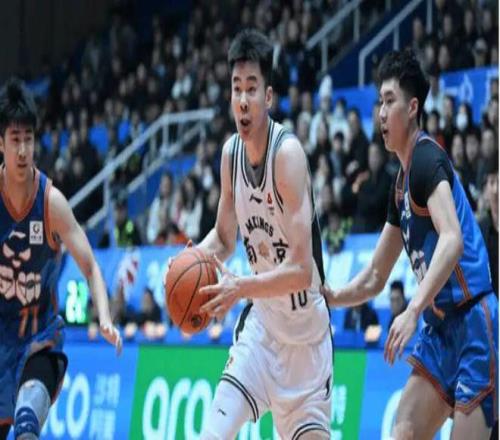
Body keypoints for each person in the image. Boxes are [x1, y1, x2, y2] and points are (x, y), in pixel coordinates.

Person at [322, 49, 498, 439]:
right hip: (440, 333)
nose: (381, 113)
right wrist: (332, 296)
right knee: (403, 432)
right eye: (379, 103)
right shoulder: (400, 184)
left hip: (474, 323)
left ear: (413, 107)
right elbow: (375, 276)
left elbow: (451, 240)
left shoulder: (426, 159)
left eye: (390, 102)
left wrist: (412, 309)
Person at [191, 29, 332, 439]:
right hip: (262, 335)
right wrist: (190, 259)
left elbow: (301, 270)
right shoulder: (230, 155)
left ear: (267, 97)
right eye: (236, 88)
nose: (242, 99)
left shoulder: (287, 156)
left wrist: (241, 288)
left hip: (306, 349)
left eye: (251, 88)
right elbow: (224, 238)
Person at [0, 78, 122, 440]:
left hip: (40, 339)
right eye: (15, 139)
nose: (23, 150)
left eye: (28, 139)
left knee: (26, 428)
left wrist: (104, 317)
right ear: (1, 144)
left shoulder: (51, 203)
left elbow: (91, 267)